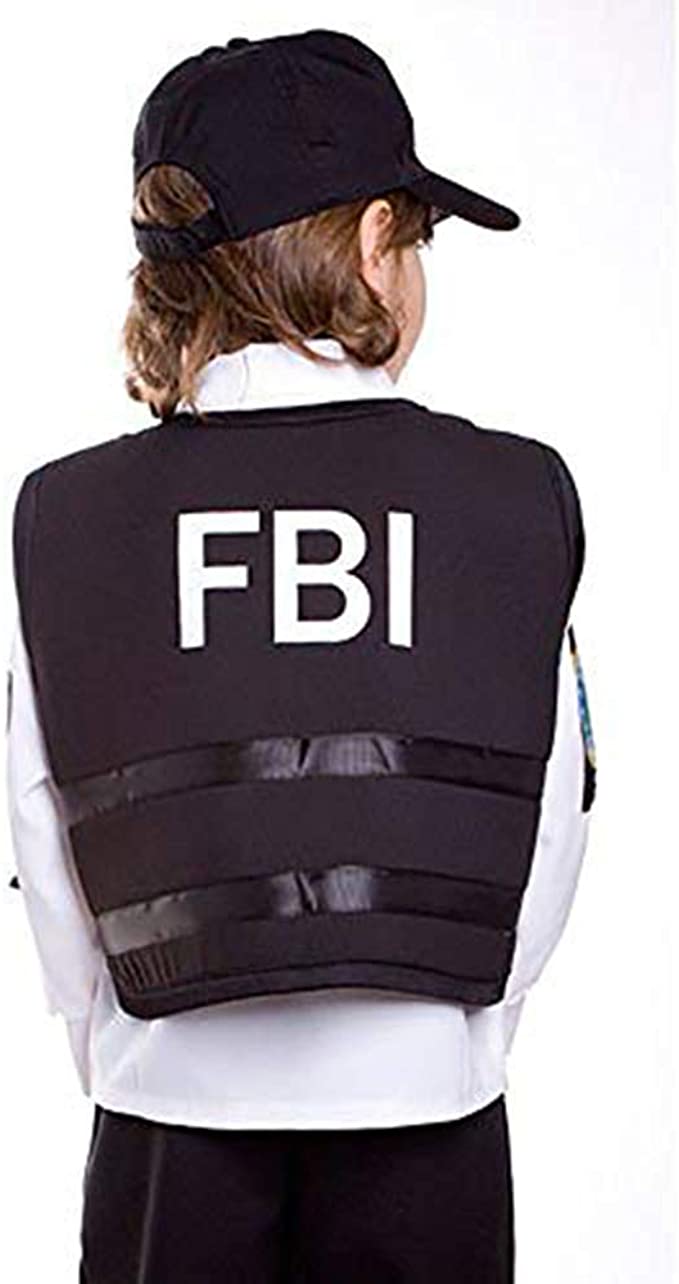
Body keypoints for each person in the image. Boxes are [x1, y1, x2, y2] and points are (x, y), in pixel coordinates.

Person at [5, 27, 597, 1284]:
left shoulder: (67, 516)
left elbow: (43, 829)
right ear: (377, 240)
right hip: (428, 1114)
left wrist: (131, 1055)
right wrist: (453, 1038)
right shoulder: (512, 498)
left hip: (166, 1113)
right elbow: (548, 824)